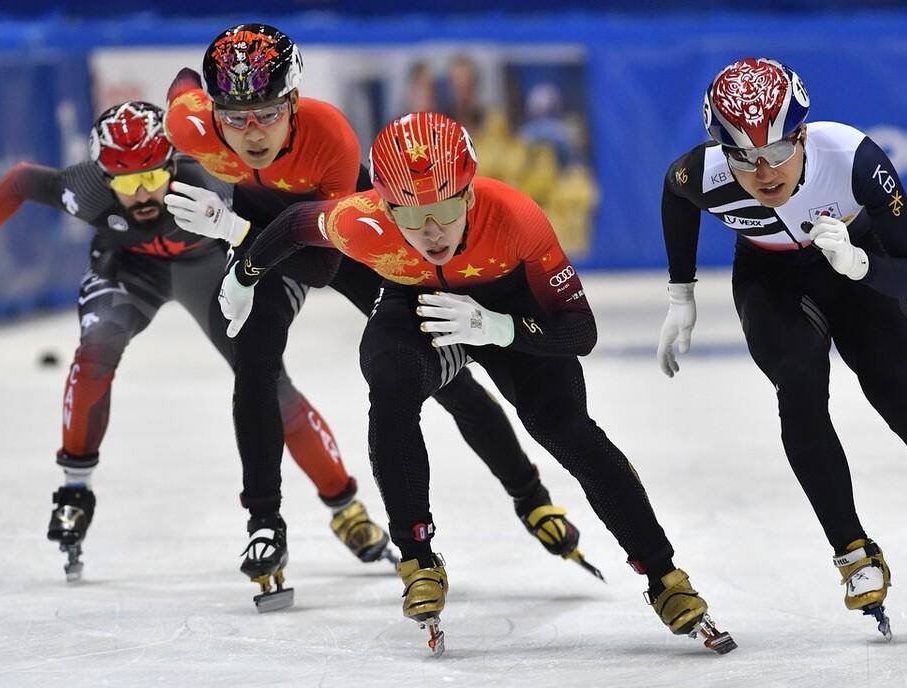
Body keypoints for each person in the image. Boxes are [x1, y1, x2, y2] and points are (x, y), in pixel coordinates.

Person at [175, 111, 738, 656]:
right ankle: (417, 558)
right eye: (410, 217)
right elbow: (295, 226)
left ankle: (664, 575)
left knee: (562, 427)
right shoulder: (360, 218)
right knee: (390, 387)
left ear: (468, 194)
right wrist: (245, 273)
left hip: (513, 311)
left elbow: (581, 332)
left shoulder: (517, 218)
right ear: (384, 207)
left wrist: (498, 327)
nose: (431, 231)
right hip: (416, 305)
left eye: (444, 208)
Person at [163, 24, 604, 604]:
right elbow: (181, 88)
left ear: (294, 101)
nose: (251, 132)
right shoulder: (190, 123)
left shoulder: (330, 138)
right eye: (235, 115)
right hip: (261, 241)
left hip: (345, 241)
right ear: (213, 111)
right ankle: (264, 523)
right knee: (254, 364)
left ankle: (530, 495)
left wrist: (231, 229)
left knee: (444, 378)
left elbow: (321, 267)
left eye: (268, 112)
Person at [656, 57, 907, 640]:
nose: (764, 172)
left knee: (901, 394)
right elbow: (674, 195)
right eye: (746, 159)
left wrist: (861, 264)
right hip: (771, 282)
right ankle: (851, 548)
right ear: (722, 152)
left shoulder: (855, 159)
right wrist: (681, 292)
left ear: (803, 135)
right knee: (799, 386)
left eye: (779, 151)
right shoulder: (700, 174)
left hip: (858, 269)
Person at [0, 102, 380, 593]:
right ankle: (74, 489)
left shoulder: (210, 180)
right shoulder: (86, 188)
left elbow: (280, 227)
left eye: (152, 177)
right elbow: (19, 181)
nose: (142, 194)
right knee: (95, 350)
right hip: (130, 271)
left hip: (211, 272)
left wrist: (257, 274)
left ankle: (345, 506)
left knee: (268, 382)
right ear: (105, 177)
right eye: (125, 184)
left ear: (172, 163)